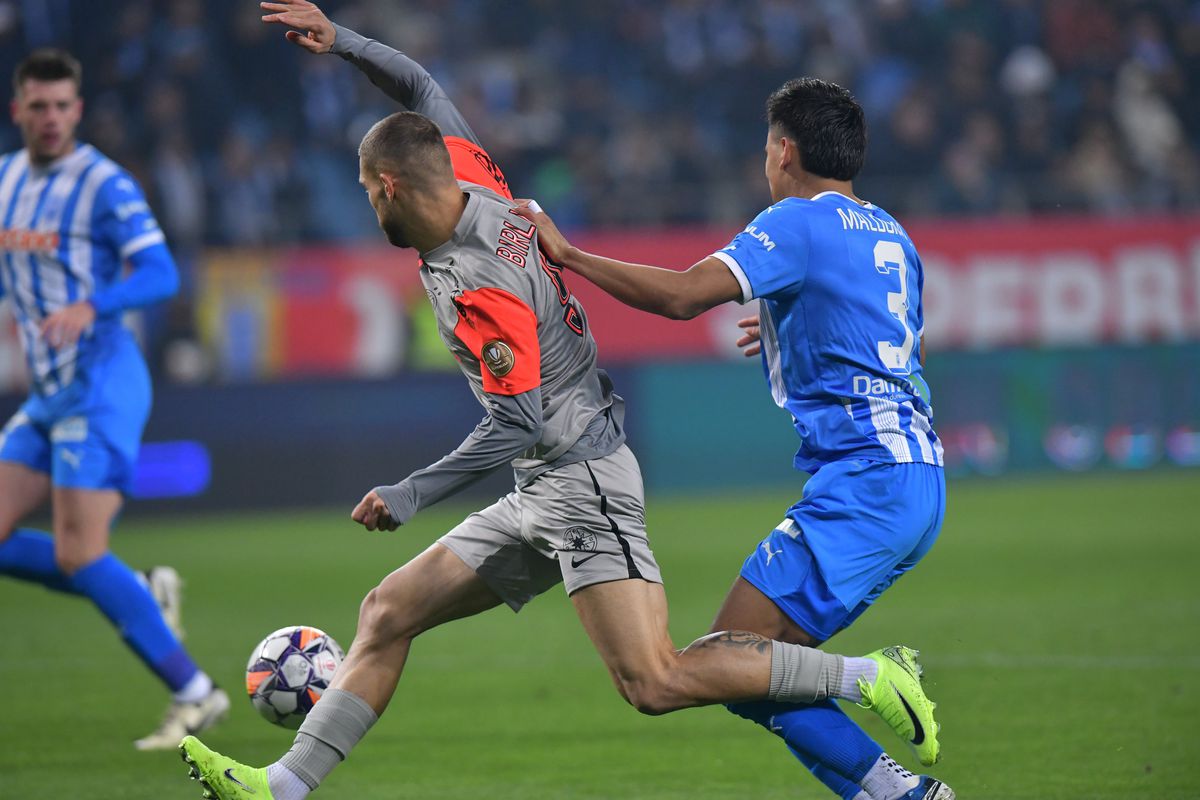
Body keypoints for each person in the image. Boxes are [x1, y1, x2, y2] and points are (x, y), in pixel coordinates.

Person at [176, 6, 940, 799]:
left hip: (583, 483)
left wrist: (413, 491)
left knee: (658, 680)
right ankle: (283, 788)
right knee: (386, 611)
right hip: (545, 483)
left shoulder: (484, 283)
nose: (369, 205)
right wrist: (342, 43)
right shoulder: (468, 172)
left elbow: (523, 416)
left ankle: (864, 674)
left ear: (393, 186)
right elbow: (420, 83)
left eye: (370, 190)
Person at [515, 77, 953, 800]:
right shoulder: (890, 233)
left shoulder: (795, 222)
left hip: (866, 483)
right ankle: (899, 793)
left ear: (783, 151)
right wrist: (793, 323)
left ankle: (877, 688)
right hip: (917, 479)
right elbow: (909, 353)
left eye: (764, 148)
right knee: (754, 673)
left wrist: (569, 256)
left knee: (720, 658)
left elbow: (685, 297)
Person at [0, 49, 228, 749]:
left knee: (77, 552)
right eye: (38, 105)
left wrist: (93, 304)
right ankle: (136, 585)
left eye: (62, 105)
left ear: (78, 110)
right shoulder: (6, 179)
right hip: (48, 390)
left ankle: (197, 693)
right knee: (66, 553)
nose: (50, 118)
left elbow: (161, 272)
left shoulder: (103, 184)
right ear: (18, 110)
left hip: (102, 384)